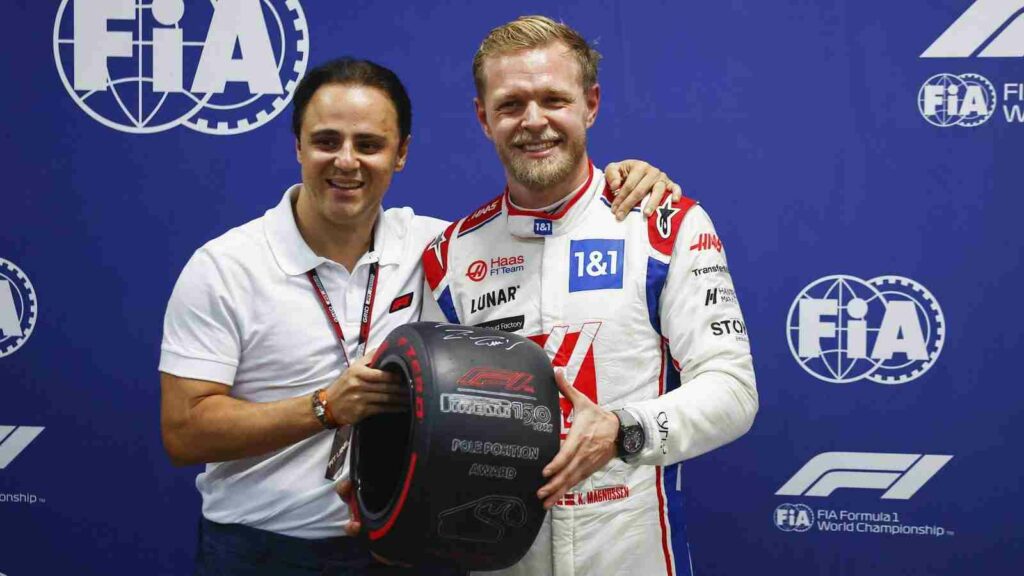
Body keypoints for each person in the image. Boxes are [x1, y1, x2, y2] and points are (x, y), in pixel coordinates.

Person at [159, 56, 680, 575]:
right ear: (297, 145)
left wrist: (627, 180)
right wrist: (324, 407)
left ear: (400, 154)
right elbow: (184, 432)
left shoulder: (441, 249)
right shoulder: (225, 267)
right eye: (326, 142)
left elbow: (549, 220)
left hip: (408, 546)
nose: (346, 161)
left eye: (368, 145)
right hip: (266, 550)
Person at [416, 16, 759, 576]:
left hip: (631, 550)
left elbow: (734, 392)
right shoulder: (447, 255)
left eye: (554, 99)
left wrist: (623, 429)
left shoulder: (665, 225)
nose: (534, 122)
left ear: (590, 104)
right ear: (483, 118)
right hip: (498, 553)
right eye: (509, 105)